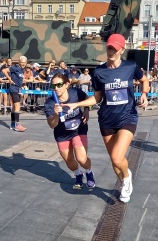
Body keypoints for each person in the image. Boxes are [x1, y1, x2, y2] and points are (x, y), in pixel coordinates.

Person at [62, 34, 149, 202]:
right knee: (114, 161)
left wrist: (144, 94)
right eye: (109, 48)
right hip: (107, 120)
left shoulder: (131, 67)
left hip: (127, 117)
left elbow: (144, 80)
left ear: (122, 50)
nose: (111, 51)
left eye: (114, 49)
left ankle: (126, 179)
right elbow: (97, 98)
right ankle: (125, 178)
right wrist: (77, 105)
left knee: (117, 157)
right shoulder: (99, 72)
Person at [45, 73, 95, 189]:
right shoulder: (50, 103)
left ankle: (89, 172)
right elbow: (51, 125)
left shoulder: (75, 93)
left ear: (67, 84)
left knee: (82, 158)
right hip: (62, 134)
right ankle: (78, 175)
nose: (56, 88)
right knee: (69, 160)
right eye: (53, 86)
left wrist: (86, 110)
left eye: (59, 85)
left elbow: (87, 99)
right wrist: (56, 115)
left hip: (78, 129)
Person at [2, 56, 28, 132]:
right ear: (19, 62)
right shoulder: (15, 67)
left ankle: (13, 124)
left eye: (24, 62)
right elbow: (4, 70)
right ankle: (17, 125)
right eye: (22, 62)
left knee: (14, 107)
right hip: (14, 88)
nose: (23, 64)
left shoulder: (22, 70)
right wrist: (9, 79)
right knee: (17, 106)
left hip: (19, 89)